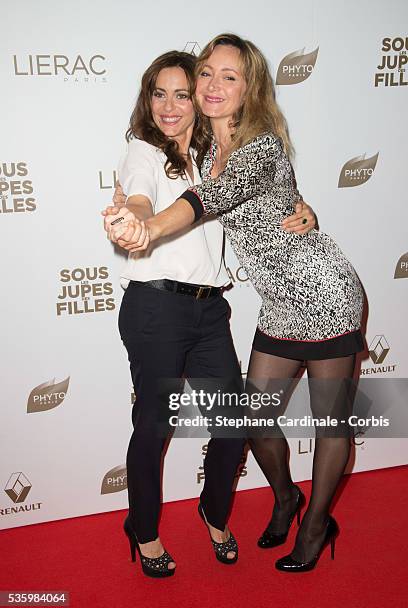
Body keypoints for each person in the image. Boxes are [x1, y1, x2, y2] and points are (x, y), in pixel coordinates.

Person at [109, 33, 364, 573]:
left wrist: (149, 229)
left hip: (324, 293)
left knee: (329, 423)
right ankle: (286, 497)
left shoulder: (260, 146)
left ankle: (316, 525)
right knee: (252, 418)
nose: (211, 85)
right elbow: (141, 186)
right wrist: (136, 216)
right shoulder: (201, 149)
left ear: (250, 90)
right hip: (274, 305)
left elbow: (211, 200)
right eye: (207, 73)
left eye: (230, 76)